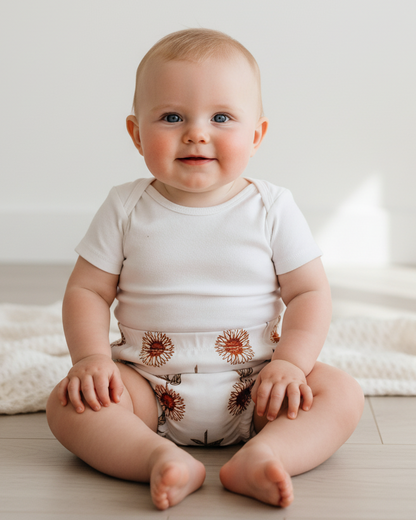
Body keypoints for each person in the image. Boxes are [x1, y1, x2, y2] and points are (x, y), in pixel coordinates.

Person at [46, 28, 364, 511]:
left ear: (256, 135)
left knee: (340, 393)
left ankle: (264, 453)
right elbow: (88, 290)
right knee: (68, 403)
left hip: (258, 384)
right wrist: (90, 359)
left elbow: (309, 294)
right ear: (136, 134)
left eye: (221, 117)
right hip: (145, 386)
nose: (197, 132)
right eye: (172, 117)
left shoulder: (272, 207)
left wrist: (290, 365)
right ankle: (156, 456)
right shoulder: (126, 206)